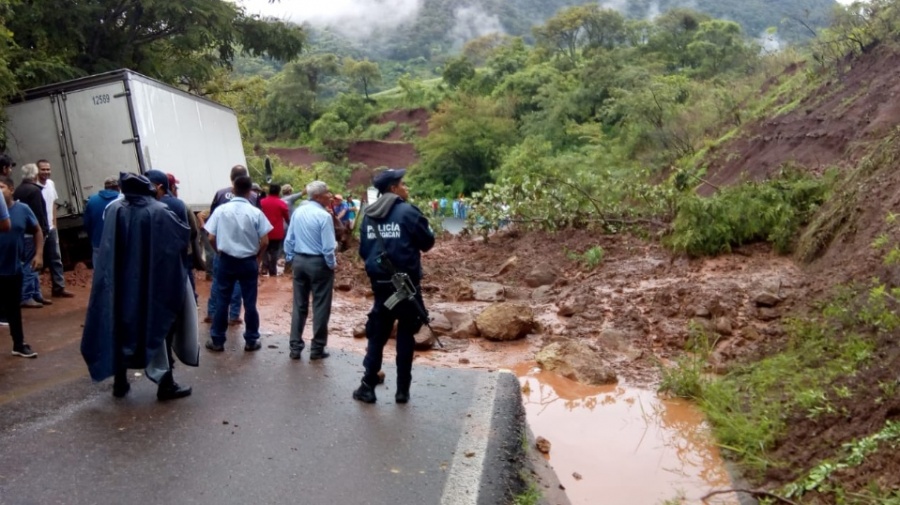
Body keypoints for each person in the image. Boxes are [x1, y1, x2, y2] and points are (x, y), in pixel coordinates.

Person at [81, 172, 196, 400]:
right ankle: (165, 384)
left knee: (119, 327)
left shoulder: (115, 209)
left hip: (119, 283)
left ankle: (120, 382)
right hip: (151, 283)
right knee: (158, 327)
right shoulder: (159, 211)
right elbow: (181, 240)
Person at [353, 168, 434, 404]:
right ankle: (402, 391)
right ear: (393, 188)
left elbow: (363, 251)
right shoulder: (408, 212)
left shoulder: (368, 215)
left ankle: (367, 386)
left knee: (377, 334)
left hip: (381, 286)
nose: (405, 188)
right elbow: (427, 242)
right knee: (406, 335)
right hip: (407, 287)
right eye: (403, 184)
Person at [203, 175, 272, 353]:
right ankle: (251, 340)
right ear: (250, 192)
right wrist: (257, 258)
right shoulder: (256, 213)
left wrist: (218, 250)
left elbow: (210, 236)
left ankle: (217, 340)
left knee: (222, 300)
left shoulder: (221, 210)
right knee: (250, 303)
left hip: (226, 260)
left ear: (233, 189)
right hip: (248, 262)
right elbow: (265, 241)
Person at [283, 180, 336, 361]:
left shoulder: (298, 212)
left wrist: (291, 258)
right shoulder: (324, 217)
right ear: (318, 197)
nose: (330, 196)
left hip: (299, 261)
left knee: (299, 305)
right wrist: (331, 264)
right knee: (320, 305)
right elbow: (328, 248)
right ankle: (317, 348)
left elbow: (289, 238)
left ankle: (295, 347)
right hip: (318, 263)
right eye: (327, 193)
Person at [0, 176, 42, 357]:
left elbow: (37, 230)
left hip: (13, 268)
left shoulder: (22, 210)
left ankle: (19, 344)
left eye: (0, 187)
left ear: (11, 189)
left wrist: (39, 254)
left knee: (13, 309)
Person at [205, 165, 252, 325]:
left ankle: (212, 313)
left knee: (219, 281)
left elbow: (212, 221)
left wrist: (217, 250)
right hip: (245, 250)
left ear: (231, 178)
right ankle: (234, 315)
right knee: (239, 283)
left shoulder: (220, 194)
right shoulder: (252, 196)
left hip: (223, 248)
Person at [13, 163, 49, 308]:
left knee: (31, 263)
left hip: (22, 233)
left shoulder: (18, 190)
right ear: (35, 175)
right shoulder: (34, 191)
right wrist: (43, 230)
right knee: (31, 264)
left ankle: (36, 294)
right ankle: (27, 295)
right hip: (32, 233)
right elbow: (39, 214)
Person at [37, 159, 74, 298]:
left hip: (51, 228)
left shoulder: (51, 184)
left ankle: (59, 287)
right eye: (43, 169)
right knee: (38, 261)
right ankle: (36, 293)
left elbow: (53, 204)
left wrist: (55, 225)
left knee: (56, 259)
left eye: (48, 169)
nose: (46, 172)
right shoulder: (34, 187)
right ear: (37, 170)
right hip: (39, 230)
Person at [82, 176, 121, 266]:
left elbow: (86, 224)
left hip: (98, 243)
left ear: (105, 187)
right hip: (119, 244)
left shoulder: (92, 200)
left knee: (100, 275)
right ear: (118, 187)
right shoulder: (122, 200)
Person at [260, 183, 290, 277]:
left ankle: (265, 267)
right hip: (277, 232)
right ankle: (273, 270)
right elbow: (287, 217)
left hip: (264, 231)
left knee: (264, 249)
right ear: (278, 192)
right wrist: (290, 225)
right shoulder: (281, 203)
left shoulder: (262, 202)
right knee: (274, 251)